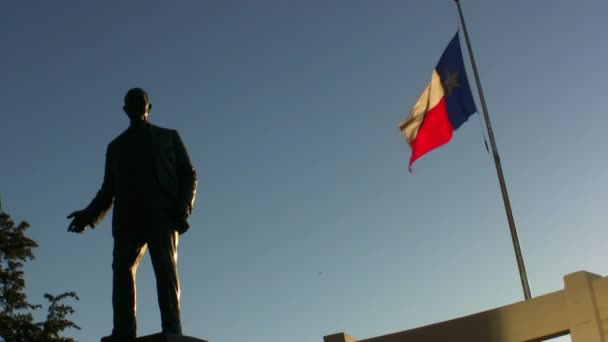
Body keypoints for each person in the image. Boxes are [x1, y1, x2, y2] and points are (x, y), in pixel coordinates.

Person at [67, 88, 197, 341]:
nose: (137, 105)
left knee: (165, 270)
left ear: (149, 107)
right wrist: (88, 215)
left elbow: (188, 173)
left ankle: (173, 327)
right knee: (121, 270)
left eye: (141, 101)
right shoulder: (116, 147)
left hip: (162, 212)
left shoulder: (168, 137)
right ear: (125, 110)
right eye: (131, 102)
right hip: (129, 217)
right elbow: (108, 190)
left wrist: (184, 205)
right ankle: (123, 332)